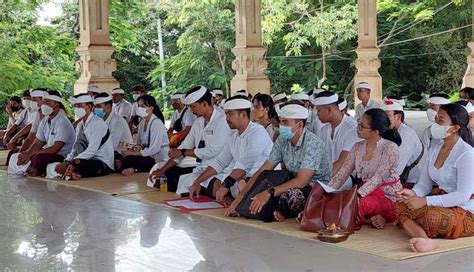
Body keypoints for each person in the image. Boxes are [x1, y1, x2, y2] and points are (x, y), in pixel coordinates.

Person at [224, 101, 331, 222]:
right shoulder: (282, 139)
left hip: (314, 188)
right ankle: (275, 210)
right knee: (256, 186)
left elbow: (302, 181)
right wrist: (240, 198)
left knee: (291, 197)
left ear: (300, 125)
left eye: (285, 122)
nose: (281, 126)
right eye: (281, 121)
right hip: (289, 181)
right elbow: (264, 169)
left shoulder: (313, 143)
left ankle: (285, 211)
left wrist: (269, 192)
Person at [395, 103, 474, 253]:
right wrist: (413, 194)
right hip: (442, 201)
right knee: (400, 205)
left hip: (467, 208)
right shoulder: (435, 148)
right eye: (436, 119)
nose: (435, 123)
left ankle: (428, 237)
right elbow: (424, 184)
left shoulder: (466, 154)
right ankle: (426, 239)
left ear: (455, 128)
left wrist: (425, 201)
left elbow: (463, 195)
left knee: (432, 216)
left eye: (440, 121)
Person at [185, 96, 273, 202]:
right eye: (226, 114)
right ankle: (232, 198)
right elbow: (220, 161)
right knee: (214, 181)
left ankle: (238, 200)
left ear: (243, 115)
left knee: (239, 184)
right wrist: (197, 182)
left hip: (260, 179)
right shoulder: (234, 135)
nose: (226, 119)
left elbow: (245, 164)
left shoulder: (257, 132)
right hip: (240, 178)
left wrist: (225, 186)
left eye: (230, 114)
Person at [328, 108, 403, 229]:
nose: (357, 128)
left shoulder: (390, 148)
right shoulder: (357, 147)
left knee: (360, 203)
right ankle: (368, 219)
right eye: (358, 123)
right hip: (365, 194)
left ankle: (334, 222)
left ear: (375, 132)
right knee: (336, 199)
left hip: (389, 198)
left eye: (361, 126)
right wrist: (328, 191)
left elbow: (378, 178)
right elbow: (343, 173)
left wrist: (356, 196)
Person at [148, 86, 231, 193]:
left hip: (218, 170)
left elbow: (213, 151)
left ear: (204, 104)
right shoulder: (198, 122)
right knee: (166, 175)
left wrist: (183, 152)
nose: (191, 111)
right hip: (200, 167)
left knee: (183, 183)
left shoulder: (222, 120)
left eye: (193, 107)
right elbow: (184, 147)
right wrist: (162, 170)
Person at [46, 94, 114, 180]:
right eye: (75, 106)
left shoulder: (97, 123)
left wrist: (70, 162)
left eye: (79, 105)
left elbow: (91, 150)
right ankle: (72, 173)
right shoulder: (80, 125)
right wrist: (66, 161)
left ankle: (72, 173)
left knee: (77, 163)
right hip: (85, 159)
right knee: (52, 165)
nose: (76, 108)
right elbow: (75, 148)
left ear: (88, 106)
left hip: (102, 162)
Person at [8, 91, 75, 177]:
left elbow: (55, 149)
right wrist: (27, 153)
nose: (44, 105)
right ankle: (28, 170)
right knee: (15, 156)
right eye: (43, 102)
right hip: (46, 152)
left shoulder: (63, 122)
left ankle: (32, 170)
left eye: (47, 102)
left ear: (56, 105)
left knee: (38, 158)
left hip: (60, 155)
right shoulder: (44, 120)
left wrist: (31, 155)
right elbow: (37, 143)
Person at [314, 91, 360, 183]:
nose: (317, 114)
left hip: (347, 176)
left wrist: (320, 180)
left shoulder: (352, 128)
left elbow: (343, 161)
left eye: (319, 110)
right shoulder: (323, 130)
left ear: (329, 110)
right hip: (327, 174)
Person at [117, 95, 168, 176]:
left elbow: (154, 149)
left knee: (133, 160)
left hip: (158, 158)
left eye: (143, 106)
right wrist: (126, 146)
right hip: (147, 155)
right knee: (123, 157)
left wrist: (132, 153)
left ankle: (134, 169)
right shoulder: (142, 123)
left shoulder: (156, 123)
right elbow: (140, 146)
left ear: (151, 108)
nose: (140, 108)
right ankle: (130, 168)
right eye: (139, 106)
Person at [382, 98, 424, 186]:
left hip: (412, 183)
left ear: (398, 117)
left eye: (387, 116)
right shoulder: (389, 130)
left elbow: (395, 170)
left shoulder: (406, 135)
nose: (382, 120)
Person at [93, 93, 133, 168]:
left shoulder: (117, 121)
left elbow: (112, 145)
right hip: (107, 151)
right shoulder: (99, 120)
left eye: (98, 106)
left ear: (108, 106)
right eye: (94, 106)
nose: (95, 109)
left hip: (122, 152)